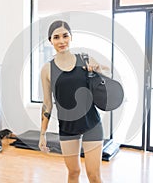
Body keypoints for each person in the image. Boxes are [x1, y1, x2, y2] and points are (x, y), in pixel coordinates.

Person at [39, 20, 109, 183]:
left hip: (91, 124)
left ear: (71, 37)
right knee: (73, 172)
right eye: (56, 37)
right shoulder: (47, 70)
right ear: (50, 41)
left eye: (65, 36)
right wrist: (42, 133)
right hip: (67, 127)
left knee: (94, 175)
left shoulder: (84, 59)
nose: (61, 41)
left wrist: (98, 69)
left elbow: (108, 71)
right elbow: (47, 104)